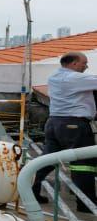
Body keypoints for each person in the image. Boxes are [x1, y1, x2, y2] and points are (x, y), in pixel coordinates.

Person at [31, 52, 97, 209]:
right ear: (73, 64)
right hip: (74, 125)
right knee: (83, 163)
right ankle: (86, 203)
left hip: (54, 123)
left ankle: (30, 189)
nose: (86, 66)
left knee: (47, 160)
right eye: (84, 63)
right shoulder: (74, 78)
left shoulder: (54, 77)